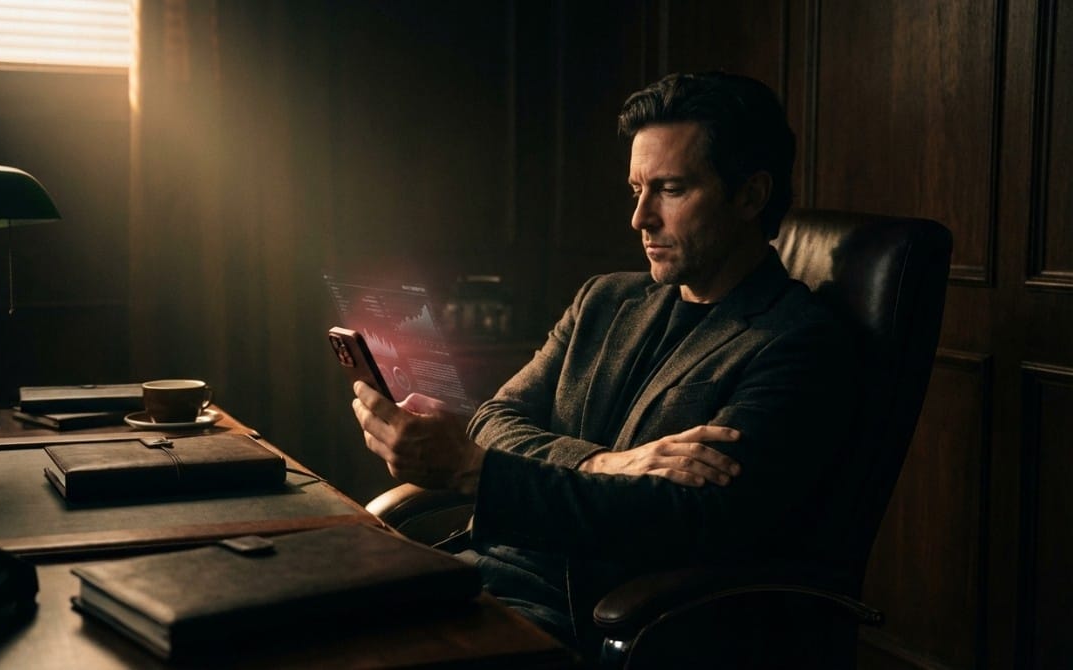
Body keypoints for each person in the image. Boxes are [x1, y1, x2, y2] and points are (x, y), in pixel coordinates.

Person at [349, 71, 857, 657]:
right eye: (636, 190)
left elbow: (686, 516)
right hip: (475, 573)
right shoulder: (606, 300)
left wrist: (476, 471)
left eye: (670, 189)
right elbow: (493, 418)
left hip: (583, 619)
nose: (640, 219)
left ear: (750, 195)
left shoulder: (797, 342)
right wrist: (604, 463)